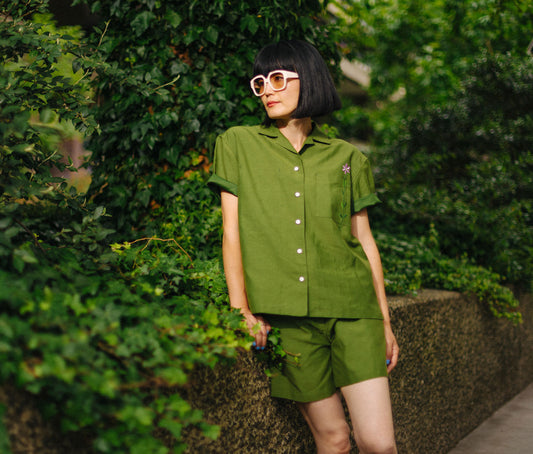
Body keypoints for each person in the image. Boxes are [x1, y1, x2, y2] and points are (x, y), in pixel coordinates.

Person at [208, 39, 399, 454]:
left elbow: (364, 240)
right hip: (288, 321)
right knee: (333, 438)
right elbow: (232, 232)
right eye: (260, 83)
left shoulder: (347, 157)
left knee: (379, 443)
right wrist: (239, 308)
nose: (267, 90)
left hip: (354, 311)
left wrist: (384, 321)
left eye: (278, 78)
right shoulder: (237, 143)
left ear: (307, 79)